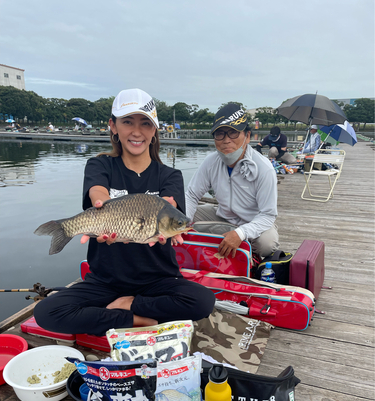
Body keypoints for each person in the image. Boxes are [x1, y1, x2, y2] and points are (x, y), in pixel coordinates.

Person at [34, 88, 215, 336]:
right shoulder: (99, 164)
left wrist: (167, 211)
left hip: (157, 280)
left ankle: (127, 306)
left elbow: (170, 208)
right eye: (127, 122)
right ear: (113, 126)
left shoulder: (170, 175)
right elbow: (97, 193)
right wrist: (103, 206)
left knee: (203, 301)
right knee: (47, 312)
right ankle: (138, 320)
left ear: (154, 130)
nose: (137, 131)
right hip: (104, 280)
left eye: (145, 123)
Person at [185, 103, 279, 259]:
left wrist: (241, 233)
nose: (226, 140)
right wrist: (184, 221)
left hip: (253, 221)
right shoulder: (210, 162)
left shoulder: (264, 168)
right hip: (222, 215)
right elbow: (192, 195)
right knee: (177, 220)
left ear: (247, 136)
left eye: (233, 133)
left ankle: (248, 254)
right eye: (220, 134)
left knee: (267, 245)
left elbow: (268, 215)